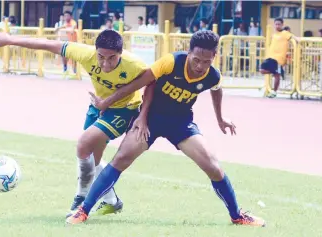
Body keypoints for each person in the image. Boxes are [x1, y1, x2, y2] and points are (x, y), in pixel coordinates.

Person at [66, 30, 266, 227]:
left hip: (180, 123)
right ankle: (83, 211)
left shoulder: (212, 75)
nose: (200, 66)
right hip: (151, 119)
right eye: (196, 59)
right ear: (189, 52)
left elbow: (216, 88)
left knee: (213, 166)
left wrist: (220, 118)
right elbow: (146, 83)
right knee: (121, 158)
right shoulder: (171, 62)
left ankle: (237, 216)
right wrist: (141, 118)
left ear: (214, 56)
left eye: (207, 61)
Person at [0, 29, 147, 217]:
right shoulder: (85, 54)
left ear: (120, 54)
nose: (105, 63)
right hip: (98, 105)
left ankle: (81, 197)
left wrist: (143, 116)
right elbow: (48, 44)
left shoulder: (135, 65)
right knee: (92, 159)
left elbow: (152, 81)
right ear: (95, 52)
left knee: (83, 144)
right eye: (101, 57)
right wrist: (9, 40)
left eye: (112, 58)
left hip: (124, 110)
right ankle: (112, 201)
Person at [260, 18, 298, 98]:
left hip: (278, 58)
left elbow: (294, 38)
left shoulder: (285, 33)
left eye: (279, 24)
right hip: (270, 56)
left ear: (282, 24)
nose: (277, 26)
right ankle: (276, 72)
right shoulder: (274, 34)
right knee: (262, 70)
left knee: (276, 75)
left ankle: (274, 91)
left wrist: (298, 40)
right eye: (276, 24)